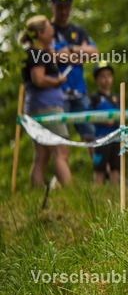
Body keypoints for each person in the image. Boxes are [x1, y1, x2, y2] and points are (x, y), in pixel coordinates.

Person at [20, 16, 72, 187]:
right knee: (60, 151)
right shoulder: (35, 54)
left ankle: (37, 192)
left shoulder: (39, 54)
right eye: (49, 28)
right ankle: (71, 192)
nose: (53, 31)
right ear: (40, 33)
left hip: (37, 107)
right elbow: (39, 79)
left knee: (42, 154)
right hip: (46, 107)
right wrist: (57, 81)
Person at [50, 0, 98, 144]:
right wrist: (78, 55)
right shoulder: (47, 30)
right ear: (52, 7)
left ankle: (98, 168)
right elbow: (50, 55)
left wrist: (70, 49)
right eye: (59, 7)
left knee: (92, 136)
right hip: (57, 93)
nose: (63, 11)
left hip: (79, 92)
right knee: (60, 139)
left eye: (66, 7)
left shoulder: (78, 30)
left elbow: (93, 53)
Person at [89, 62, 121, 185]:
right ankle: (97, 190)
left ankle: (114, 190)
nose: (106, 79)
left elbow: (124, 115)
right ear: (96, 80)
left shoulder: (116, 97)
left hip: (117, 138)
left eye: (109, 75)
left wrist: (115, 120)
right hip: (101, 138)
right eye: (102, 76)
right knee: (99, 167)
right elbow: (89, 117)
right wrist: (103, 120)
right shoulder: (94, 98)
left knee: (116, 166)